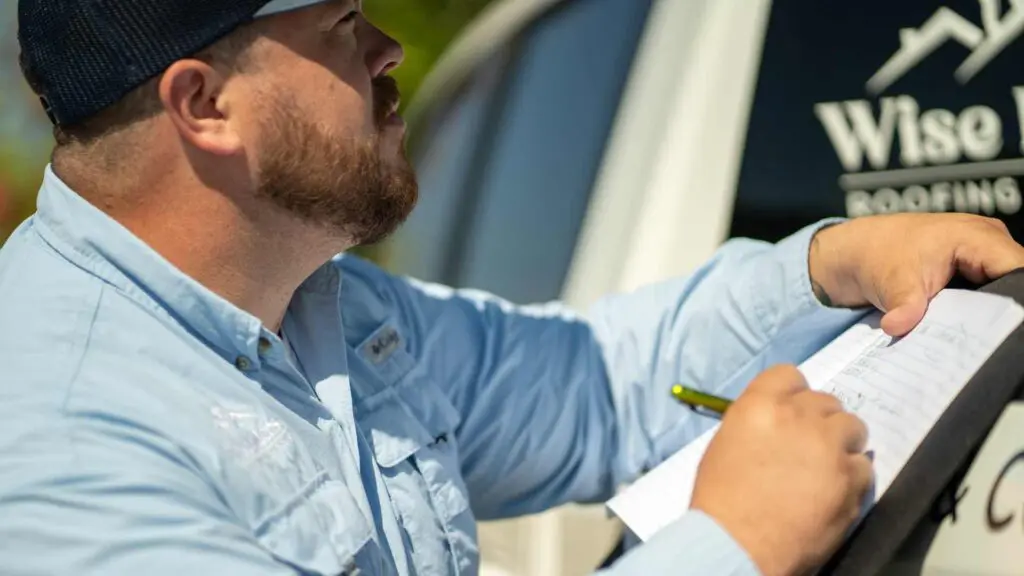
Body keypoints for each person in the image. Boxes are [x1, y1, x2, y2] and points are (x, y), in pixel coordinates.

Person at [3, 1, 1024, 575]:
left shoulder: (325, 311)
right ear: (205, 103)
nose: (389, 49)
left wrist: (825, 263)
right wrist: (729, 550)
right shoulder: (56, 439)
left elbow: (592, 385)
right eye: (339, 26)